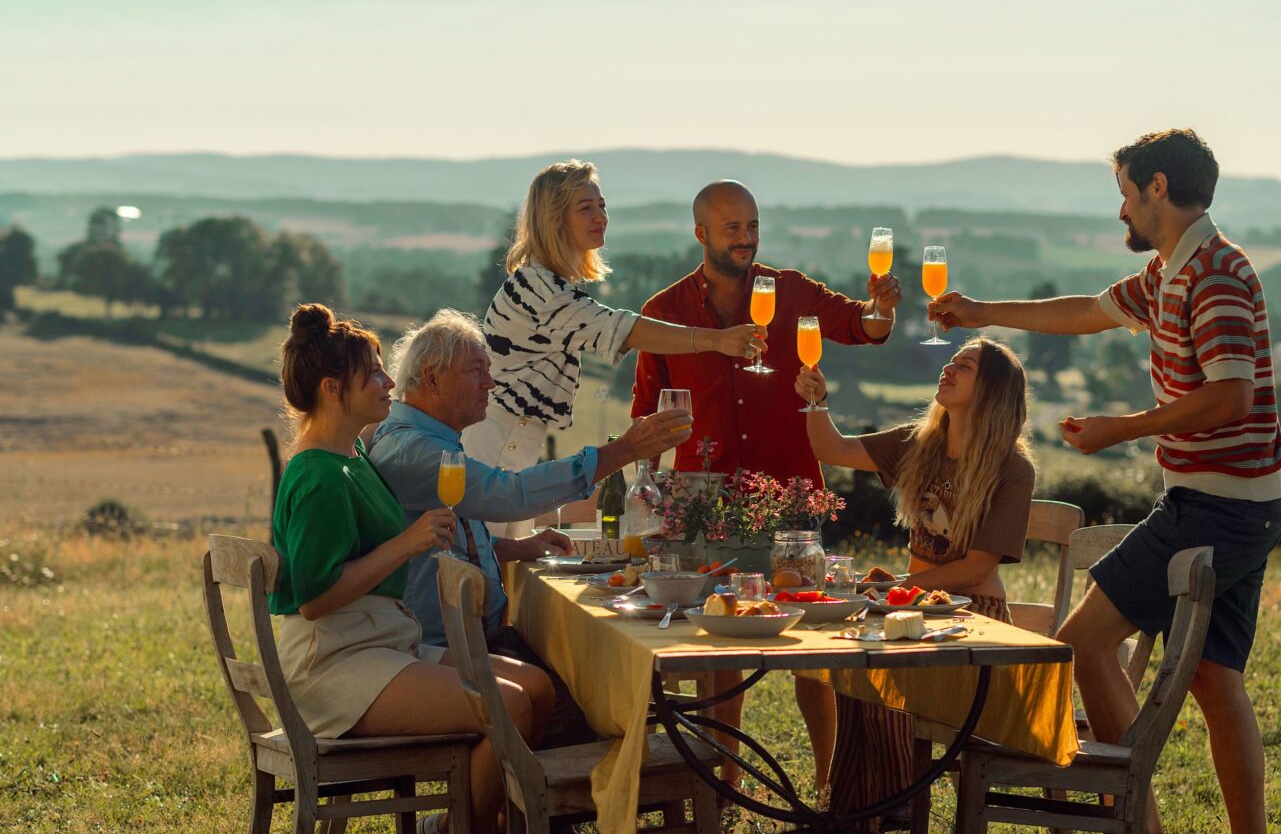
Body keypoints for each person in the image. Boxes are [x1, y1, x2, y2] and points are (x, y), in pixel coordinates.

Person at [928, 128, 1281, 834]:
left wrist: (1122, 428)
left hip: (1213, 508)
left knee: (1080, 645)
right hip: (1242, 505)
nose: (1120, 205)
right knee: (1219, 684)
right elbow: (1085, 313)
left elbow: (1233, 396)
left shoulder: (1216, 276)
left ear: (1157, 187)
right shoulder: (1170, 271)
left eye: (1125, 190)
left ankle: (1141, 830)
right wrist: (980, 311)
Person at [267, 303, 547, 834]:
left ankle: (451, 830)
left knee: (538, 687)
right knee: (514, 707)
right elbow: (314, 598)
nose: (390, 383)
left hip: (375, 646)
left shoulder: (351, 458)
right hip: (337, 664)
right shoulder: (319, 476)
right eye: (374, 375)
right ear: (333, 390)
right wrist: (408, 542)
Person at [633, 179, 903, 794]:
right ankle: (723, 781)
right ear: (701, 232)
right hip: (706, 506)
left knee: (813, 642)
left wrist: (882, 310)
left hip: (790, 494)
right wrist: (645, 494)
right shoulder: (666, 312)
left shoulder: (793, 291)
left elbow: (862, 327)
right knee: (718, 642)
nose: (747, 238)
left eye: (752, 226)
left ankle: (828, 779)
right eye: (732, 228)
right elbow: (644, 413)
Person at [368, 308, 693, 688]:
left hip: (467, 638)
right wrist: (622, 451)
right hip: (439, 649)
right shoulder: (416, 451)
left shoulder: (425, 439)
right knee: (592, 680)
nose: (490, 383)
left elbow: (444, 536)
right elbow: (509, 494)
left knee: (588, 661)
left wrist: (510, 547)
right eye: (477, 371)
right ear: (432, 378)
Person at [795, 338, 1037, 820]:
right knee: (853, 658)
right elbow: (830, 448)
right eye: (951, 361)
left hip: (972, 619)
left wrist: (897, 585)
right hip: (911, 612)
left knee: (873, 663)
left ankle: (888, 798)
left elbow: (975, 569)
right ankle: (870, 802)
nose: (948, 367)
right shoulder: (919, 441)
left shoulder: (1012, 468)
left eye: (964, 366)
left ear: (990, 389)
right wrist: (816, 402)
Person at [463, 160, 763, 535]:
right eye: (585, 208)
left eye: (601, 205)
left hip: (515, 450)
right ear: (554, 220)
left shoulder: (548, 283)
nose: (600, 216)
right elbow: (623, 329)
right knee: (482, 569)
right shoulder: (537, 290)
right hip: (493, 449)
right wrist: (716, 340)